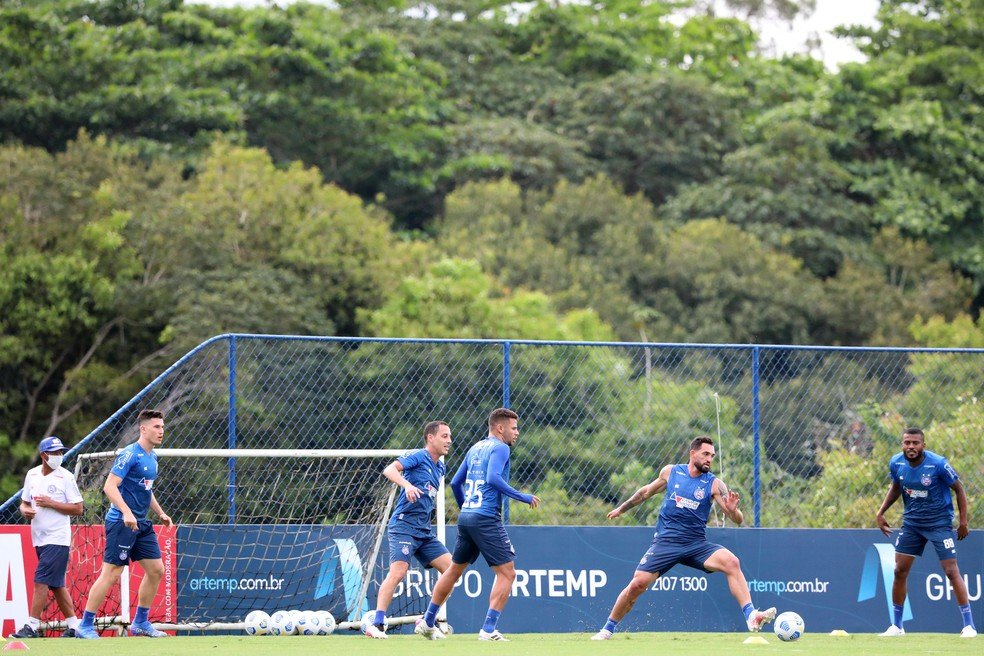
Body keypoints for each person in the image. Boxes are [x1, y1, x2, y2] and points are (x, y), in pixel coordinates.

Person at [591, 436, 776, 640]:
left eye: (712, 456)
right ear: (692, 453)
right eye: (705, 454)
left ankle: (751, 615)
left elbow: (738, 519)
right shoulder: (671, 472)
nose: (709, 459)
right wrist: (622, 508)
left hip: (696, 544)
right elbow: (645, 493)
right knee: (637, 585)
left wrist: (732, 511)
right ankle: (607, 629)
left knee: (732, 562)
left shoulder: (714, 484)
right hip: (666, 543)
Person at [415, 407, 540, 642]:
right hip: (486, 518)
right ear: (500, 428)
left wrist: (466, 508)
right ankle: (488, 630)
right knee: (507, 573)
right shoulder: (501, 448)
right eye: (514, 428)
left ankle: (427, 621)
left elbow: (455, 483)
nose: (517, 433)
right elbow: (493, 478)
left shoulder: (475, 448)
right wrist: (522, 496)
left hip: (467, 517)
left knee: (454, 570)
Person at [75, 409, 173, 639]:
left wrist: (160, 512)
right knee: (112, 572)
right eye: (156, 427)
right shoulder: (130, 454)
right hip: (122, 522)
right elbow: (109, 486)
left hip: (141, 523)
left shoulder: (153, 457)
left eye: (162, 426)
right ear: (143, 429)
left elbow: (146, 489)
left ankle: (141, 623)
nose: (161, 431)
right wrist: (127, 512)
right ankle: (85, 626)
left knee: (156, 570)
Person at [875, 427, 976, 638]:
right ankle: (897, 626)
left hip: (939, 524)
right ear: (902, 444)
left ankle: (969, 626)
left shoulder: (938, 464)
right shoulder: (896, 463)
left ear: (923, 445)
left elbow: (959, 489)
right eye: (907, 443)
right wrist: (881, 512)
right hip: (912, 524)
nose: (911, 447)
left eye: (915, 443)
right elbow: (896, 487)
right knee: (899, 571)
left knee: (951, 571)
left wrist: (963, 522)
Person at [364, 420, 454, 639]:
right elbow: (389, 469)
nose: (449, 441)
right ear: (430, 438)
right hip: (404, 526)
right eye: (444, 436)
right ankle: (377, 624)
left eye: (450, 436)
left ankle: (427, 621)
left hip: (424, 531)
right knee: (398, 572)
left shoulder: (440, 467)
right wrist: (407, 485)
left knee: (452, 571)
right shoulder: (418, 456)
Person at [10, 436, 84, 639]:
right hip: (39, 538)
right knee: (56, 585)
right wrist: (24, 510)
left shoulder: (66, 477)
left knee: (41, 580)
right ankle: (74, 626)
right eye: (55, 453)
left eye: (61, 452)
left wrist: (52, 503)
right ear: (44, 455)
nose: (59, 456)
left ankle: (32, 626)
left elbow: (78, 508)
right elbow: (24, 502)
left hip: (58, 538)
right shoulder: (32, 474)